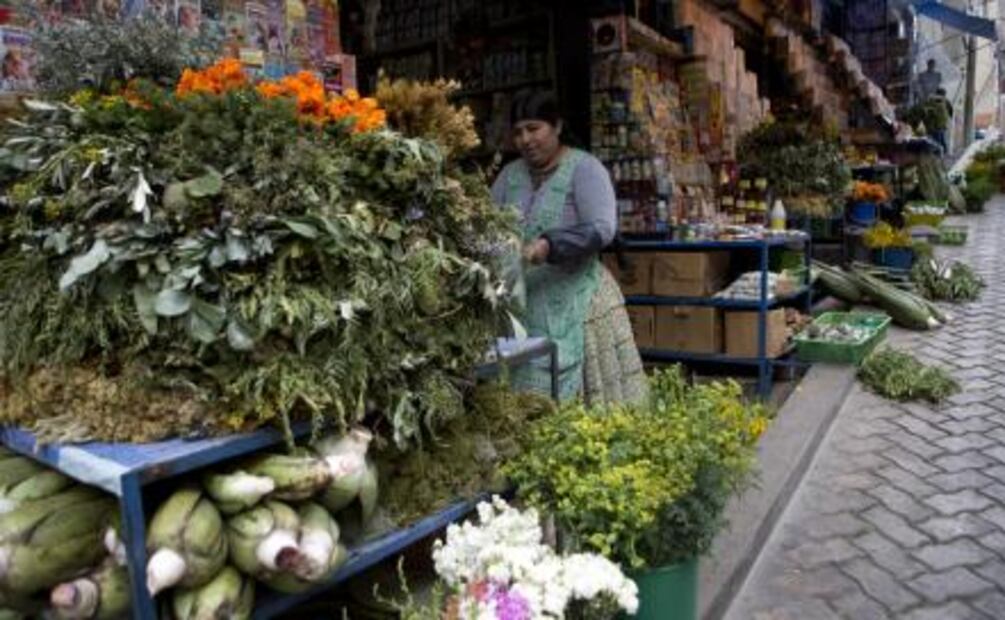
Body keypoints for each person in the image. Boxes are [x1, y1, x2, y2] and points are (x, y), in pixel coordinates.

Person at [491, 90, 647, 405]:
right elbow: (487, 223)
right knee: (523, 407)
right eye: (518, 132)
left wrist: (547, 246)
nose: (525, 139)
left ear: (557, 126)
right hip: (523, 306)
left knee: (585, 412)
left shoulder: (585, 169)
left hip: (578, 301)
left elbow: (603, 228)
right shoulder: (510, 176)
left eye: (534, 128)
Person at [930, 87, 953, 154]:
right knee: (941, 138)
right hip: (942, 123)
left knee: (935, 139)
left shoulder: (931, 100)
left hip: (932, 123)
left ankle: (937, 152)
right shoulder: (945, 100)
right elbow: (951, 111)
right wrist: (950, 117)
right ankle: (944, 152)